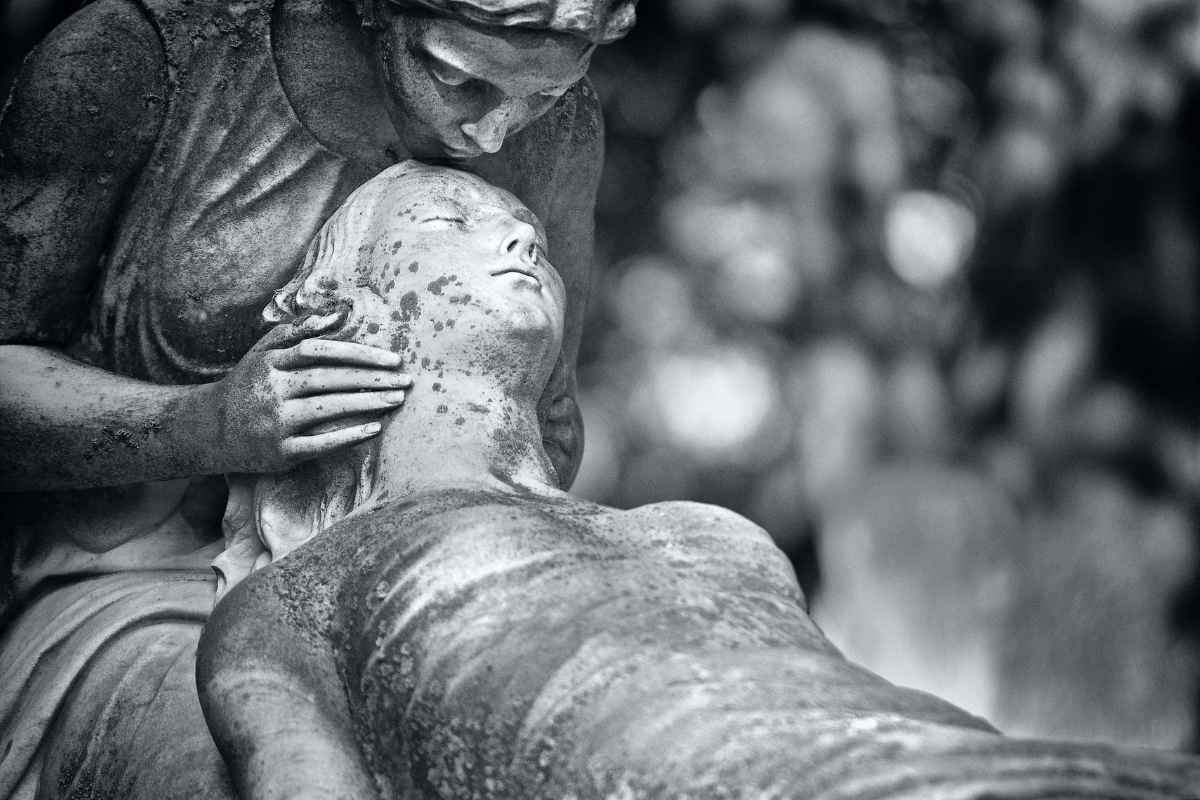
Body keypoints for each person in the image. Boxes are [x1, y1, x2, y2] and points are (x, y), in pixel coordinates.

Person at [199, 162, 1200, 798]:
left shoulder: (708, 529)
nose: (516, 240)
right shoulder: (294, 597)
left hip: (996, 764)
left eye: (527, 233)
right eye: (450, 222)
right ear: (336, 303)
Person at [0, 0, 633, 795]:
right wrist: (201, 426)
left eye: (541, 96)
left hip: (413, 584)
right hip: (148, 582)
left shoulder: (562, 127)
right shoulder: (141, 57)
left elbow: (549, 422)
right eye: (455, 75)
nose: (494, 135)